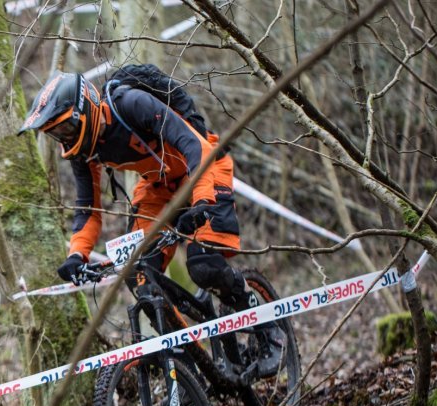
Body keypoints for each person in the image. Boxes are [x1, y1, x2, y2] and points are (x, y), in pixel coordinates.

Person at [18, 70, 259, 312]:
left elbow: (194, 144)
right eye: (56, 135)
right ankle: (179, 346)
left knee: (205, 266)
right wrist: (77, 255)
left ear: (85, 110)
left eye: (65, 129)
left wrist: (203, 201)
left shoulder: (131, 104)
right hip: (159, 187)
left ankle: (263, 321)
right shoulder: (84, 152)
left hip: (203, 166)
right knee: (139, 275)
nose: (64, 139)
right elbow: (87, 207)